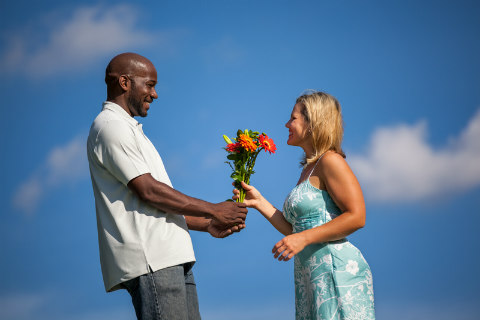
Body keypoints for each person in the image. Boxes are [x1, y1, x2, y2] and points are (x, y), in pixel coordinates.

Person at [87, 52, 248, 320]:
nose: (155, 94)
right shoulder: (110, 126)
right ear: (125, 83)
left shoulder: (127, 128)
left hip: (170, 258)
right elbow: (148, 191)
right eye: (149, 85)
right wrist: (214, 210)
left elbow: (154, 204)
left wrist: (206, 224)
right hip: (153, 260)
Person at [233, 91, 375, 319]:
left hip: (336, 273)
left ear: (313, 123)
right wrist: (259, 202)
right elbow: (296, 231)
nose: (287, 124)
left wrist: (303, 238)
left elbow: (357, 216)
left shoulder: (331, 161)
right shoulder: (308, 170)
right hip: (311, 279)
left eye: (293, 118)